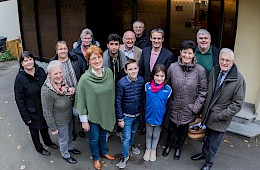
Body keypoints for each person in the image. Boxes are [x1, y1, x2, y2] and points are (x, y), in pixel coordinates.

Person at [191, 48, 246, 170]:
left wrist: (220, 115)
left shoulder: (238, 79)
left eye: (228, 60)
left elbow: (237, 104)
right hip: (208, 114)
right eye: (222, 59)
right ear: (219, 59)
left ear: (232, 62)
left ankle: (208, 163)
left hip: (221, 118)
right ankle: (204, 154)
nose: (224, 63)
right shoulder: (215, 70)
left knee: (213, 144)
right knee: (206, 138)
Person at [163, 40, 208, 160]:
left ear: (194, 54)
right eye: (184, 52)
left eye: (189, 53)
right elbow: (166, 86)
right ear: (180, 52)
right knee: (171, 129)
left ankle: (178, 148)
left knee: (182, 132)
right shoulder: (172, 67)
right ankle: (168, 145)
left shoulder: (200, 70)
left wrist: (195, 107)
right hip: (174, 106)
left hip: (189, 108)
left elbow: (203, 91)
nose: (186, 56)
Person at [75, 45, 116, 170]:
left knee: (103, 136)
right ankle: (96, 158)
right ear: (89, 61)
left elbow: (111, 93)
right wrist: (84, 120)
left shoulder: (108, 73)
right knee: (94, 139)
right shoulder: (85, 79)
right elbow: (80, 100)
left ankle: (104, 152)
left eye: (99, 57)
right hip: (92, 115)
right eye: (93, 59)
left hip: (106, 113)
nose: (97, 61)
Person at [14, 51, 58, 156]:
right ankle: (39, 148)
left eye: (30, 59)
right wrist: (26, 117)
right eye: (26, 60)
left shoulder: (41, 71)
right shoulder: (20, 79)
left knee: (44, 126)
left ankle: (48, 142)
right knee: (34, 131)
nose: (29, 62)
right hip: (31, 110)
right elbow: (19, 100)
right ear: (21, 63)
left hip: (43, 106)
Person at [41, 60, 81, 164]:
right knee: (63, 138)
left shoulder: (64, 81)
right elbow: (47, 112)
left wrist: (70, 91)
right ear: (49, 74)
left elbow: (66, 94)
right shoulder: (46, 90)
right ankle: (65, 154)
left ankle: (70, 148)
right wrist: (53, 128)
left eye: (60, 72)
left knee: (69, 134)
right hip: (59, 120)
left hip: (68, 115)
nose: (59, 76)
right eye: (55, 74)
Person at [139, 28, 174, 135]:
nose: (156, 41)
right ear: (150, 38)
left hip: (159, 89)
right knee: (145, 107)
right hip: (146, 87)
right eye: (154, 38)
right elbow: (141, 69)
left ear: (163, 39)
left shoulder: (168, 55)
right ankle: (143, 126)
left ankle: (157, 132)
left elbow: (167, 75)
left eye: (159, 38)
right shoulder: (145, 51)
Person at [51, 41, 85, 140]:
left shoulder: (75, 59)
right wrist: (65, 90)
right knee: (68, 113)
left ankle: (80, 129)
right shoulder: (54, 63)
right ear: (56, 51)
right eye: (60, 49)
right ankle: (73, 132)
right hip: (64, 94)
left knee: (79, 111)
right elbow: (52, 81)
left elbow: (82, 72)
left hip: (78, 91)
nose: (63, 51)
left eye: (65, 48)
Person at [115, 59, 145, 169]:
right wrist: (120, 118)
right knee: (126, 137)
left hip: (137, 114)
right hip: (126, 115)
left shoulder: (141, 80)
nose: (133, 71)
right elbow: (118, 101)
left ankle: (131, 145)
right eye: (130, 69)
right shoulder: (121, 83)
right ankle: (124, 156)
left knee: (133, 132)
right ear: (126, 70)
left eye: (135, 68)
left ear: (138, 69)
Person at [143, 64, 172, 162]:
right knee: (148, 134)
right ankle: (147, 149)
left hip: (160, 118)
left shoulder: (168, 89)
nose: (159, 78)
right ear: (153, 76)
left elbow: (168, 106)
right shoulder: (147, 86)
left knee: (156, 135)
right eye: (157, 75)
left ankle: (153, 150)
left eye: (162, 76)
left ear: (165, 77)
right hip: (148, 116)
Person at [103, 33, 129, 140]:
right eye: (112, 44)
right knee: (107, 112)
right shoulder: (102, 59)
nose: (114, 47)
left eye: (116, 44)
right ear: (108, 45)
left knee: (120, 110)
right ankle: (107, 131)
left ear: (119, 45)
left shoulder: (124, 58)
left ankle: (119, 131)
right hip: (107, 91)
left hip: (120, 89)